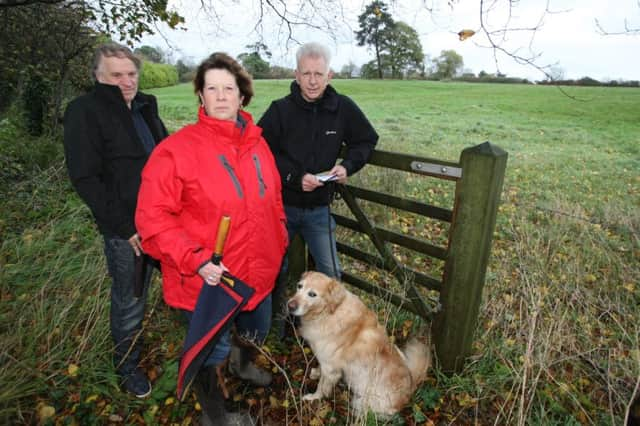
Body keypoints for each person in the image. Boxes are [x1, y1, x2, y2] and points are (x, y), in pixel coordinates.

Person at [135, 52, 287, 425]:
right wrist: (196, 259)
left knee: (256, 329)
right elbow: (152, 219)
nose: (221, 96)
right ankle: (218, 415)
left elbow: (275, 201)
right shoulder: (176, 151)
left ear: (242, 96)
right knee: (211, 348)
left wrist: (280, 237)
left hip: (259, 270)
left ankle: (242, 365)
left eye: (228, 88)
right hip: (210, 279)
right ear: (201, 97)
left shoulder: (258, 145)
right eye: (211, 88)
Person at [63, 42, 168, 398]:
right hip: (128, 232)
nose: (126, 81)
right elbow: (86, 179)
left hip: (163, 223)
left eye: (131, 74)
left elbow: (166, 157)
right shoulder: (85, 111)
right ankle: (127, 367)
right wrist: (126, 229)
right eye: (116, 75)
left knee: (184, 283)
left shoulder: (144, 107)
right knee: (130, 300)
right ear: (98, 76)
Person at [258, 42, 378, 330]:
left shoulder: (343, 108)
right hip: (281, 208)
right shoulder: (280, 110)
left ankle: (325, 329)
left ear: (330, 75)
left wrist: (347, 166)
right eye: (306, 73)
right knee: (276, 268)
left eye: (318, 74)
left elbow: (366, 140)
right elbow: (261, 150)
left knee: (331, 273)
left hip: (319, 210)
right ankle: (280, 323)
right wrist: (294, 177)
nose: (312, 80)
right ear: (296, 75)